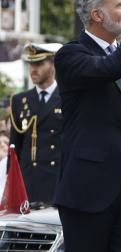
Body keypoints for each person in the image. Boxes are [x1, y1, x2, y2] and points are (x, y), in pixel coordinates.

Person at [53, 0, 121, 251]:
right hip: (88, 193)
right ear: (97, 15)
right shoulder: (71, 55)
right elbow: (111, 67)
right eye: (120, 5)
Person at [9, 43, 62, 203]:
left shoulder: (67, 98)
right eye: (31, 64)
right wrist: (11, 179)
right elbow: (14, 146)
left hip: (56, 181)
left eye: (39, 64)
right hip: (27, 182)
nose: (33, 69)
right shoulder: (20, 100)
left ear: (53, 64)